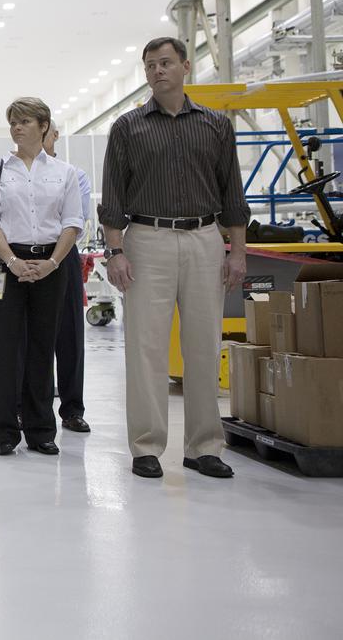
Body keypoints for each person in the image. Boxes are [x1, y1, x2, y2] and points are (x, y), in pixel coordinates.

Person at [100, 37, 248, 479]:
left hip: (205, 237)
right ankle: (146, 446)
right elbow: (113, 198)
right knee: (145, 347)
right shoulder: (127, 128)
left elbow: (232, 195)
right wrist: (116, 252)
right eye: (150, 65)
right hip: (147, 238)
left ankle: (204, 447)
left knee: (204, 343)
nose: (157, 71)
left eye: (165, 63)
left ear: (185, 66)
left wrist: (236, 252)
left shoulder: (216, 126)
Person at [0, 98, 83, 456]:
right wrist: (11, 260)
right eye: (13, 122)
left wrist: (52, 263)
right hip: (7, 266)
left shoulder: (64, 172)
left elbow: (73, 223)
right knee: (5, 348)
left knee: (43, 347)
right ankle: (5, 432)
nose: (17, 128)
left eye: (24, 121)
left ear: (43, 125)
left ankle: (40, 430)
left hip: (50, 266)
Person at [43, 123, 92, 433]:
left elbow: (73, 220)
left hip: (64, 255)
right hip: (24, 258)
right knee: (31, 336)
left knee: (70, 335)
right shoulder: (12, 173)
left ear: (53, 135)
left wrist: (54, 257)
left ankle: (72, 408)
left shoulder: (74, 175)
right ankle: (34, 405)